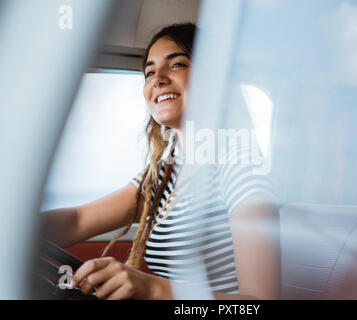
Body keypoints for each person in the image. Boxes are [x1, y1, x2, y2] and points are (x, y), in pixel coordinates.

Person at [41, 23, 280, 300]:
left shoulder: (240, 165)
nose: (158, 79)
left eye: (177, 64)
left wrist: (152, 288)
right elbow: (77, 220)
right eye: (150, 72)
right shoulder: (166, 172)